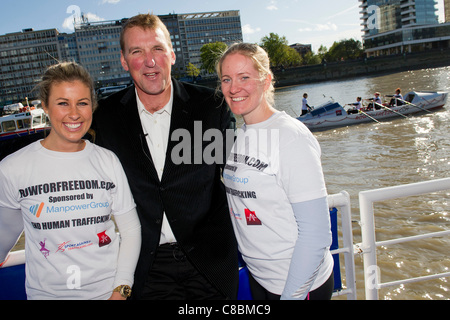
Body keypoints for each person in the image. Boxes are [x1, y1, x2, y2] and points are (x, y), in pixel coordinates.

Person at [91, 14, 238, 300]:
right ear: (124, 60)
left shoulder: (211, 107)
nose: (150, 61)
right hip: (146, 269)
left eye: (157, 49)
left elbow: (240, 176)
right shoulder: (104, 118)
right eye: (137, 51)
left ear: (172, 54)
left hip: (209, 264)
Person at [0, 62, 141, 300]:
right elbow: (5, 232)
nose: (74, 114)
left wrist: (121, 290)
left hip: (107, 295)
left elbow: (130, 230)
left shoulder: (108, 161)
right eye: (63, 103)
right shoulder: (13, 168)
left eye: (82, 103)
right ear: (45, 105)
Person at [217, 43, 334, 300]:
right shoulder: (240, 136)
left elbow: (316, 235)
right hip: (260, 277)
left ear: (266, 80)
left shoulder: (290, 137)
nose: (233, 88)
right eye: (227, 79)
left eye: (244, 77)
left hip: (298, 286)